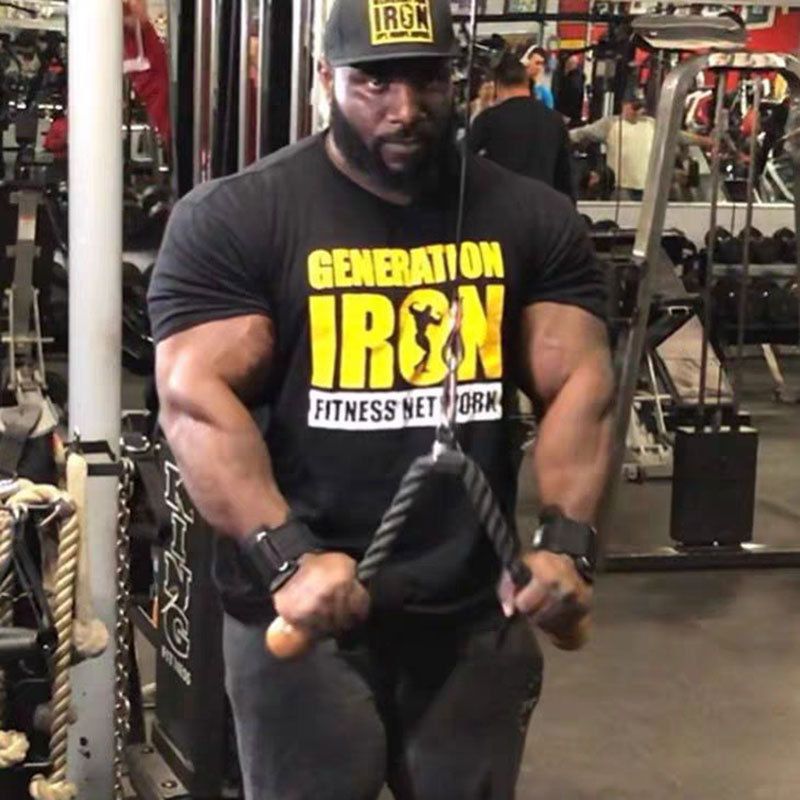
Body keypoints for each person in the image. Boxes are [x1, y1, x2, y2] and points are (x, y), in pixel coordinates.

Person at [149, 1, 614, 798]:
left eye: (426, 80)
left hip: (471, 611)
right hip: (303, 614)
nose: (404, 109)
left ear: (455, 79)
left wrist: (566, 541)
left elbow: (580, 380)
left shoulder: (529, 216)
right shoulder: (241, 216)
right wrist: (285, 556)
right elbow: (193, 396)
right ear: (326, 78)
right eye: (374, 82)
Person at [570, 88, 712, 200]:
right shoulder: (610, 124)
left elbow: (678, 135)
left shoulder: (651, 124)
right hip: (622, 188)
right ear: (624, 105)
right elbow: (583, 132)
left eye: (641, 107)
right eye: (635, 107)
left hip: (649, 187)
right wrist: (564, 135)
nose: (639, 111)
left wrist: (706, 141)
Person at [469, 53, 574, 199]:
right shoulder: (555, 120)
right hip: (543, 205)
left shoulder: (489, 119)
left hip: (501, 204)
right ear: (526, 82)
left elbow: (465, 160)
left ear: (498, 85)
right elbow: (565, 178)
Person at [521, 44, 554, 109]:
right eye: (537, 63)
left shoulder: (544, 92)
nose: (540, 67)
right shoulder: (516, 86)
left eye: (542, 64)